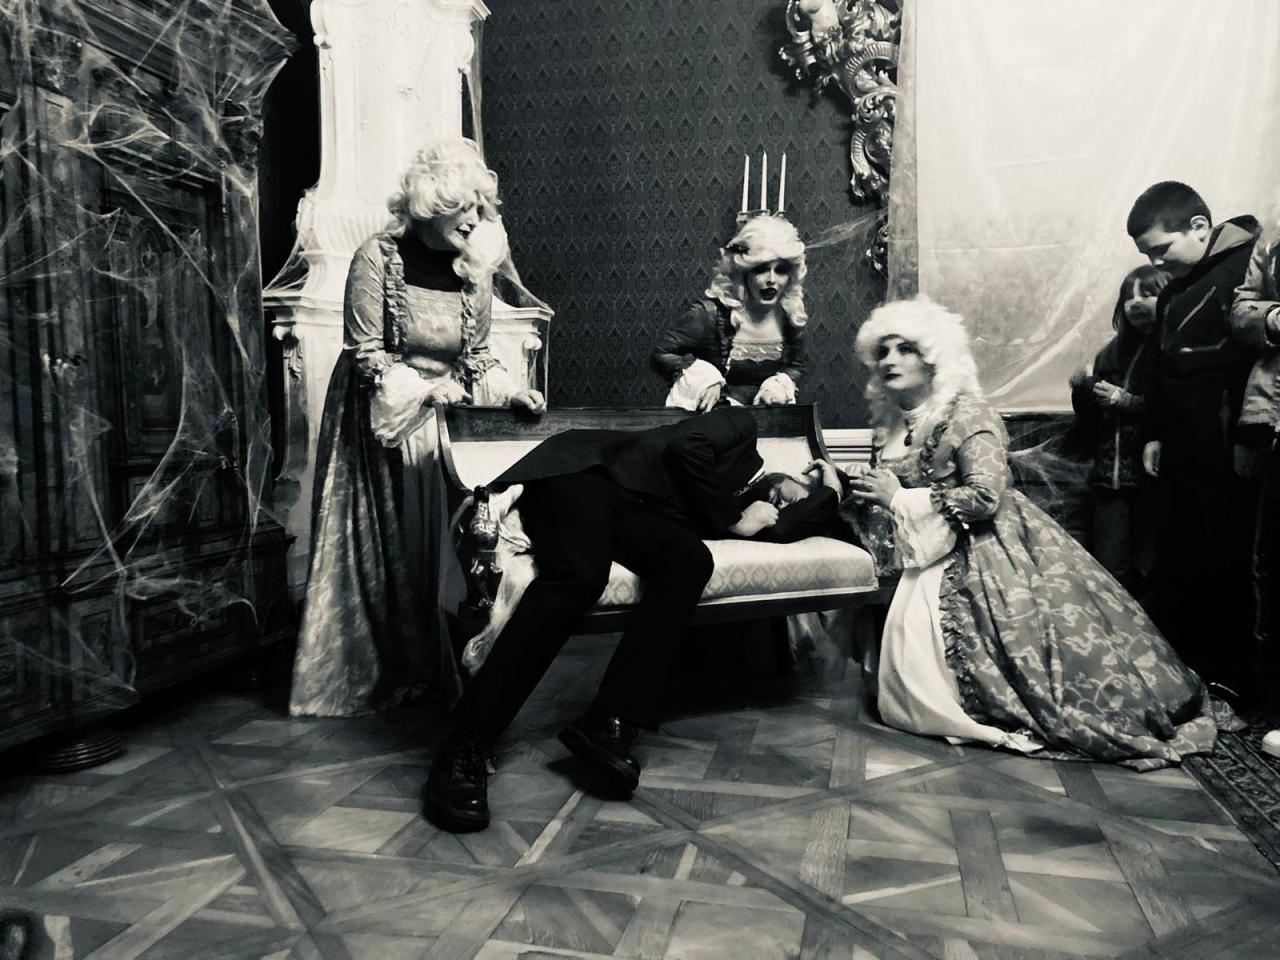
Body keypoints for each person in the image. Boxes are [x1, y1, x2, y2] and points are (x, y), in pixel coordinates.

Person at [422, 407, 842, 832]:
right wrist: (734, 518)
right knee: (579, 578)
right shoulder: (741, 430)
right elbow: (687, 445)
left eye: (793, 506)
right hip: (584, 474)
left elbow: (786, 529)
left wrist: (829, 489)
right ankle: (465, 745)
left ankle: (608, 721)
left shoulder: (737, 509)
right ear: (781, 477)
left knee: (691, 559)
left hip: (633, 512)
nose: (785, 504)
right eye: (793, 492)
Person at [843, 297, 1217, 770]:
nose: (890, 360)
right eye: (883, 351)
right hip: (927, 552)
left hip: (986, 551)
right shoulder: (895, 424)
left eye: (906, 349)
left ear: (934, 356)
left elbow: (985, 495)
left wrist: (899, 497)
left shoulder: (966, 414)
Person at [289, 138, 547, 718]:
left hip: (445, 423)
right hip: (382, 420)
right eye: (467, 207)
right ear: (435, 204)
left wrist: (513, 392)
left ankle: (443, 667)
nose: (477, 219)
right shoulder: (377, 257)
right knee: (395, 546)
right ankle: (395, 669)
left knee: (453, 543)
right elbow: (368, 354)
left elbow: (477, 357)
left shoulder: (474, 268)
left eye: (482, 208)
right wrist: (424, 390)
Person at [1126, 181, 1261, 707]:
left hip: (1231, 444)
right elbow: (1163, 371)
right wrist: (1155, 433)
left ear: (1200, 227)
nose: (1156, 263)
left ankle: (1236, 683)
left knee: (1231, 562)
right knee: (1184, 558)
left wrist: (1247, 438)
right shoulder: (1173, 291)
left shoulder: (1249, 267)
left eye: (1162, 249)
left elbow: (1256, 366)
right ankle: (1190, 676)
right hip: (1182, 449)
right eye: (1147, 255)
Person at [1068, 265, 1166, 592]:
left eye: (1147, 293)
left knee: (1154, 567)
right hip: (1110, 479)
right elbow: (1090, 418)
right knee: (1111, 569)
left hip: (1158, 480)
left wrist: (1127, 402)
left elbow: (1175, 410)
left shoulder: (1173, 349)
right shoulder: (1112, 351)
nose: (1135, 303)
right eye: (1128, 296)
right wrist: (1082, 389)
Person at [651, 214, 807, 410]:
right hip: (715, 421)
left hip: (765, 422)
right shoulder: (707, 314)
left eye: (781, 270)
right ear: (743, 272)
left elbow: (795, 366)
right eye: (761, 269)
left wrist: (777, 387)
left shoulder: (790, 317)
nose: (771, 279)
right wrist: (706, 380)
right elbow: (661, 354)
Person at [1229, 221, 1280, 752]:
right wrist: (1273, 317)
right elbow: (1241, 309)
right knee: (1269, 562)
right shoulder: (1272, 239)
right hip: (1272, 424)